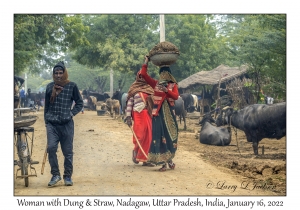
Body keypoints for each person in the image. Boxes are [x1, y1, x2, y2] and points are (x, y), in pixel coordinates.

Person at [44, 61, 83, 187]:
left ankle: (67, 176)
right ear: (53, 74)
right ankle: (55, 174)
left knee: (68, 152)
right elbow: (46, 106)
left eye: (61, 73)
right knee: (51, 148)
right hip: (52, 124)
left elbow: (80, 103)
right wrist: (46, 120)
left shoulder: (71, 86)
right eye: (56, 73)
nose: (58, 75)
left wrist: (71, 114)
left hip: (66, 124)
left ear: (64, 73)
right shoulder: (49, 87)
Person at [140, 56, 179, 171]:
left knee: (169, 137)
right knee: (159, 137)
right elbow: (144, 75)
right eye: (162, 73)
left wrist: (167, 91)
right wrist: (146, 62)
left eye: (165, 73)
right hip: (157, 115)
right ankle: (164, 163)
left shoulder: (173, 85)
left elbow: (176, 97)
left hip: (169, 116)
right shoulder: (156, 84)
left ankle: (169, 160)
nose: (163, 75)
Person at [125, 71, 154, 166]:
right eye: (140, 76)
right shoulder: (133, 88)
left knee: (148, 137)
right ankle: (135, 152)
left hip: (148, 115)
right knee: (139, 136)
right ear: (137, 77)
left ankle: (144, 159)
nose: (142, 78)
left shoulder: (150, 88)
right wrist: (128, 117)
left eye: (144, 76)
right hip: (138, 115)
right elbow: (129, 103)